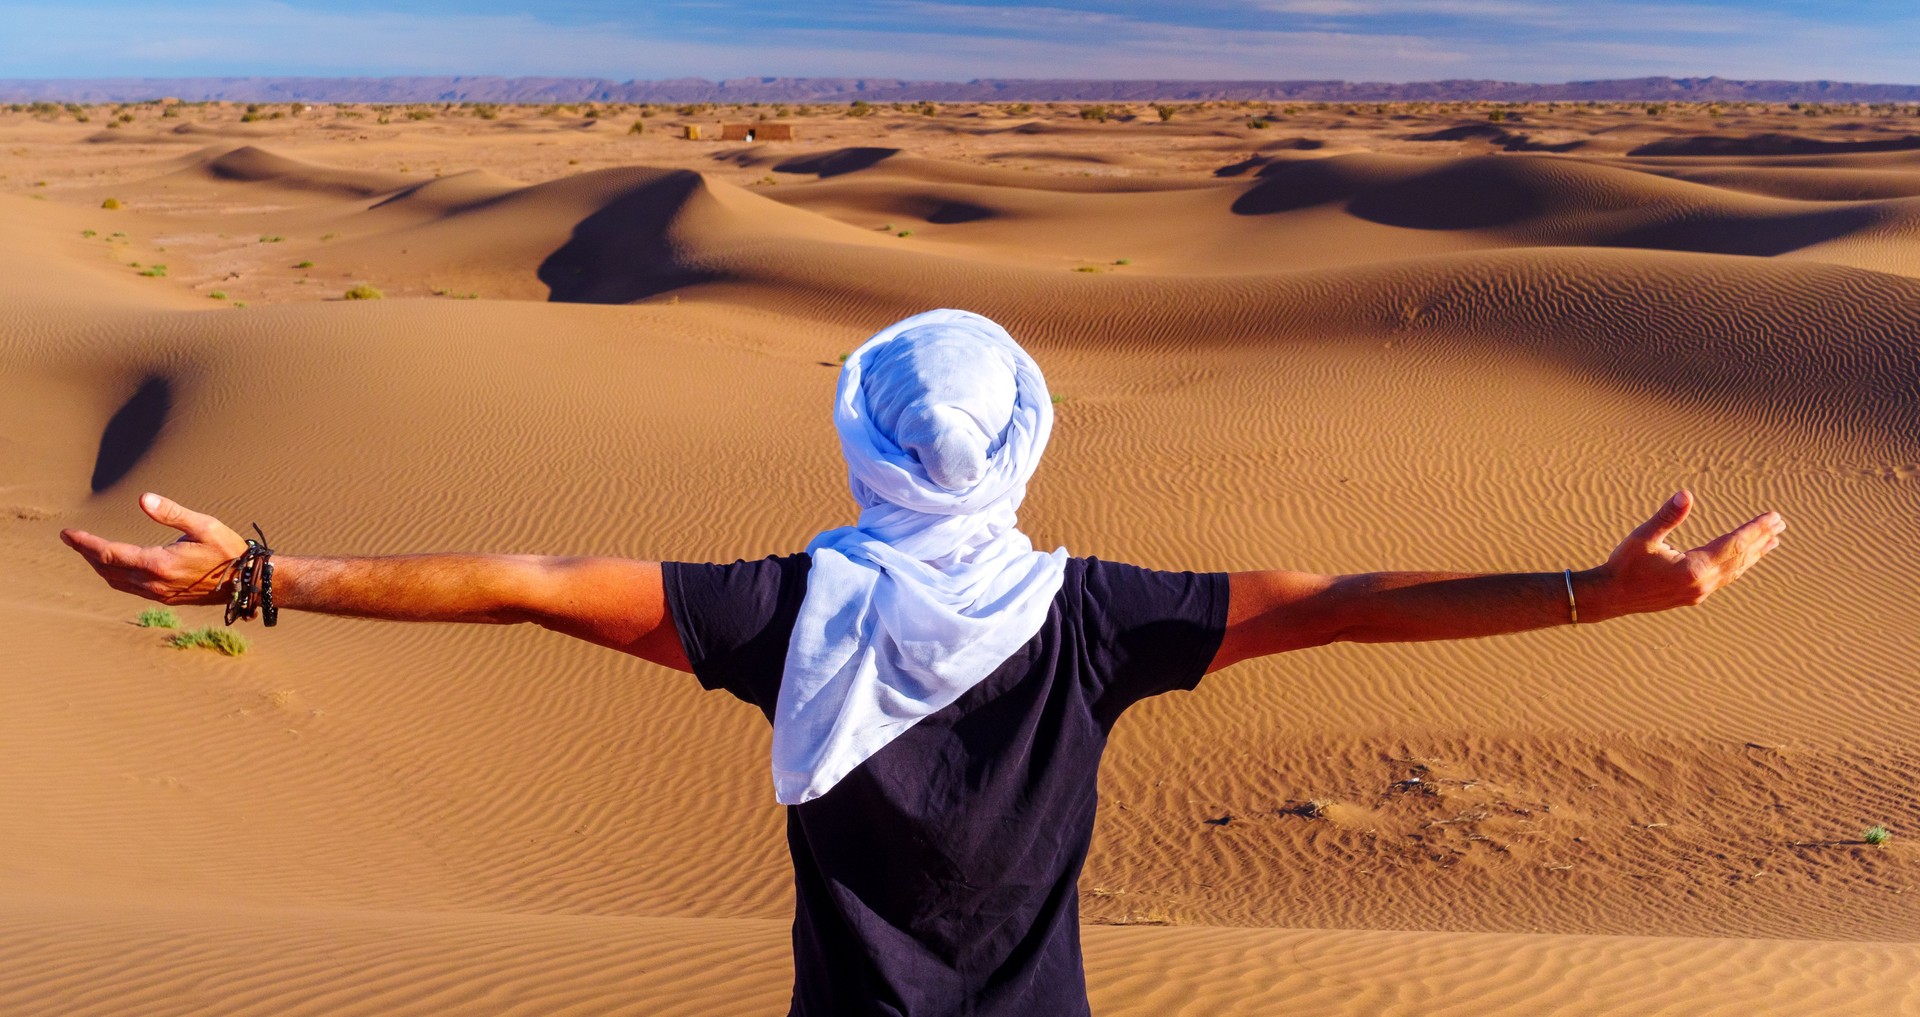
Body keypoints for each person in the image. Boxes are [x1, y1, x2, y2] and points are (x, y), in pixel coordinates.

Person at [61, 309, 1784, 1016]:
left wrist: (261, 577)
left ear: (865, 442)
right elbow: (1339, 598)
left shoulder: (779, 614)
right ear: (1022, 445)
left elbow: (525, 581)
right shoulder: (1102, 617)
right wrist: (1592, 594)